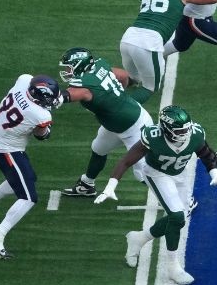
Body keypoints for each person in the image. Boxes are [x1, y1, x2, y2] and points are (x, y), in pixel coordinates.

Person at [93, 105, 217, 285]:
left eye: (187, 128)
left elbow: (207, 154)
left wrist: (215, 174)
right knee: (177, 216)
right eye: (180, 130)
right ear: (165, 129)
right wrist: (111, 186)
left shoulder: (195, 134)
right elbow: (126, 160)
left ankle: (139, 238)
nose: (185, 133)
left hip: (180, 175)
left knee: (179, 218)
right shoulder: (153, 137)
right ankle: (173, 267)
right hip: (157, 174)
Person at [0, 75, 61, 259]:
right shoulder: (41, 115)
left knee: (28, 178)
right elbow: (42, 135)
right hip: (7, 151)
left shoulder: (24, 81)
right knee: (29, 197)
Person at [120, 0, 217, 104]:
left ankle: (100, 87)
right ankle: (115, 109)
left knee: (133, 78)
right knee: (149, 87)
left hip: (128, 38)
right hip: (148, 42)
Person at [58, 47, 155, 197]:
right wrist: (116, 97)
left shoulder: (85, 86)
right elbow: (123, 76)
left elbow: (64, 97)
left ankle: (179, 200)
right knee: (99, 148)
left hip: (135, 126)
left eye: (69, 67)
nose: (67, 71)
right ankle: (87, 185)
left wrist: (44, 95)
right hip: (118, 122)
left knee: (143, 173)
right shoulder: (99, 67)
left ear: (79, 65)